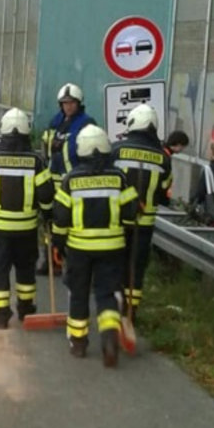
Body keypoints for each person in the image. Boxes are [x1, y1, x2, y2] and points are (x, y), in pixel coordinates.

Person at [51, 124, 139, 368]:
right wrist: (128, 233)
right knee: (106, 292)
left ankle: (78, 343)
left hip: (79, 248)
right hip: (112, 247)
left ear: (82, 150)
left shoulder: (71, 180)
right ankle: (110, 336)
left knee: (78, 293)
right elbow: (131, 213)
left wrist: (56, 244)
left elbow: (60, 218)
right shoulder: (119, 178)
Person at [0, 108, 54, 329]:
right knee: (25, 269)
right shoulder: (36, 161)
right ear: (27, 132)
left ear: (3, 130)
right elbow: (47, 195)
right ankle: (25, 309)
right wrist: (48, 215)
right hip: (27, 228)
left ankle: (1, 315)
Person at [111, 104, 171, 324]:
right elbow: (165, 191)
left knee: (116, 262)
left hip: (117, 221)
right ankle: (131, 312)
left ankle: (114, 304)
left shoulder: (116, 149)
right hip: (144, 224)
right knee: (136, 267)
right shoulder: (163, 157)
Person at [38, 82, 96, 275]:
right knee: (51, 223)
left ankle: (71, 262)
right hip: (53, 182)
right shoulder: (56, 122)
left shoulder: (86, 124)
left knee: (71, 224)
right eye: (64, 103)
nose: (68, 106)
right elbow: (45, 145)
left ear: (79, 103)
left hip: (75, 184)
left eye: (71, 103)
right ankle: (51, 259)